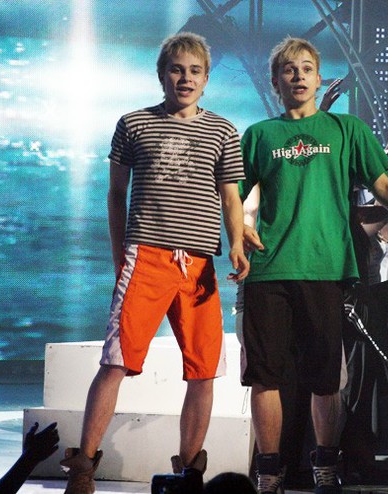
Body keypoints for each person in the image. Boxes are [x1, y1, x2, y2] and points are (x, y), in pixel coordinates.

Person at [239, 37, 388, 493]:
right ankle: (269, 472)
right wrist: (238, 233)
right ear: (276, 81)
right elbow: (233, 195)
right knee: (265, 376)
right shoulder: (258, 135)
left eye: (306, 68)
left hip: (326, 270)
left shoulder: (346, 129)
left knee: (325, 378)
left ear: (318, 78)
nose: (298, 76)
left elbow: (383, 186)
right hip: (269, 271)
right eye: (289, 69)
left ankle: (326, 465)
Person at [60, 32, 249, 493]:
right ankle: (83, 467)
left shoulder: (223, 131)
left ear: (206, 78)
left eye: (195, 71)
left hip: (199, 264)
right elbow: (115, 193)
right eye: (177, 69)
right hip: (146, 255)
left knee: (204, 370)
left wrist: (236, 244)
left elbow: (231, 197)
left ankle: (189, 473)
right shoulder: (134, 124)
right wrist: (119, 254)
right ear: (162, 74)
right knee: (116, 362)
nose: (185, 78)